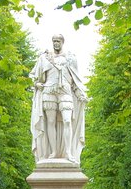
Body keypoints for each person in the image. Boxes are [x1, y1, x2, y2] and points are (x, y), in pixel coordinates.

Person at [30, 34, 88, 164]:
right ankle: (54, 152)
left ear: (63, 42)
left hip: (65, 92)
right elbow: (36, 77)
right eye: (54, 41)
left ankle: (68, 152)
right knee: (50, 121)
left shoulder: (71, 58)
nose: (56, 43)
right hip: (49, 91)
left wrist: (80, 95)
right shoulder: (44, 58)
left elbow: (75, 81)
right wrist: (37, 84)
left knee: (67, 121)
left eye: (58, 41)